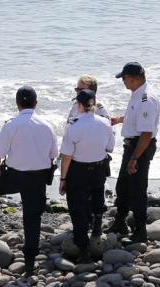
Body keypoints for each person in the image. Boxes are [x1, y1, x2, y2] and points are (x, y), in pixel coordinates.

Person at [0, 86, 57, 279]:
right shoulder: (47, 125)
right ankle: (29, 263)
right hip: (38, 178)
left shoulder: (11, 125)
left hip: (14, 175)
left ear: (17, 104)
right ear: (35, 103)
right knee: (32, 218)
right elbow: (54, 156)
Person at [59, 89, 116, 263]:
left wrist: (63, 179)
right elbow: (110, 148)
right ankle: (97, 226)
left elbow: (66, 156)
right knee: (98, 193)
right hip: (99, 167)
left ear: (78, 105)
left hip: (79, 170)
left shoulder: (73, 125)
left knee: (78, 208)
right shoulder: (105, 123)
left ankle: (83, 249)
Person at [109, 62, 160, 244]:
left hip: (140, 147)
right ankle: (120, 222)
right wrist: (119, 120)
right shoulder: (137, 94)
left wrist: (134, 159)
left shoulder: (146, 99)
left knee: (137, 189)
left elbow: (146, 134)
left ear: (132, 78)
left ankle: (140, 229)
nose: (123, 82)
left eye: (124, 78)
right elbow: (134, 118)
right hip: (132, 146)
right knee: (122, 186)